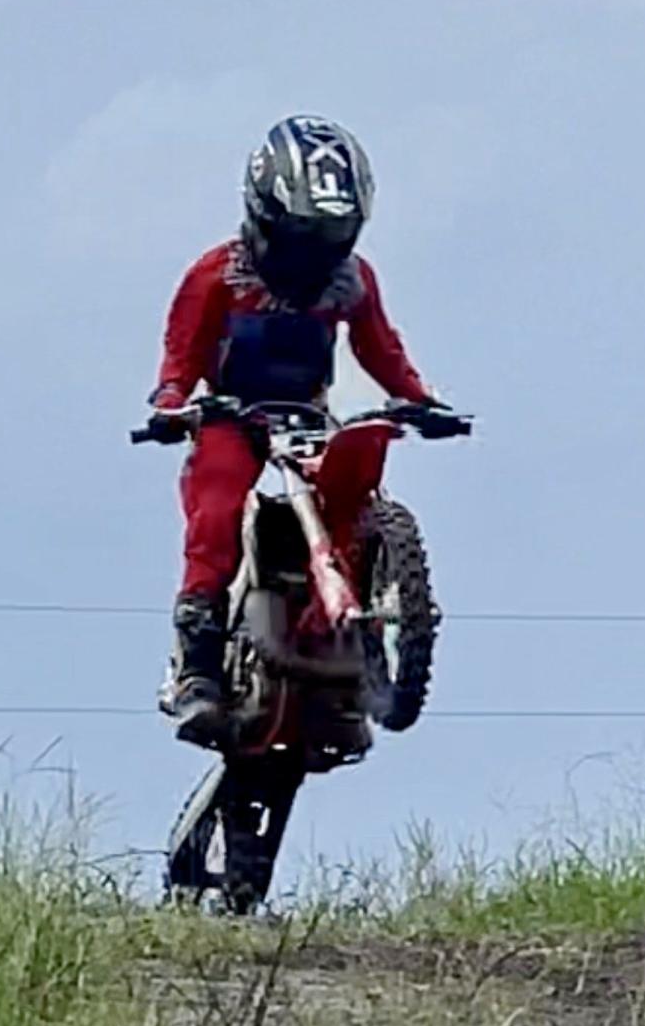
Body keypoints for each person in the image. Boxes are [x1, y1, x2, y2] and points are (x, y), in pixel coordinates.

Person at [146, 115, 439, 744]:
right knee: (217, 511)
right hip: (232, 413)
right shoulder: (217, 275)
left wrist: (418, 399)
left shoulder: (351, 280)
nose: (314, 253)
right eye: (304, 235)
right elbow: (183, 354)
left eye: (328, 237)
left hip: (310, 415)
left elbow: (380, 348)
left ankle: (359, 647)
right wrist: (173, 402)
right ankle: (196, 666)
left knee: (356, 492)